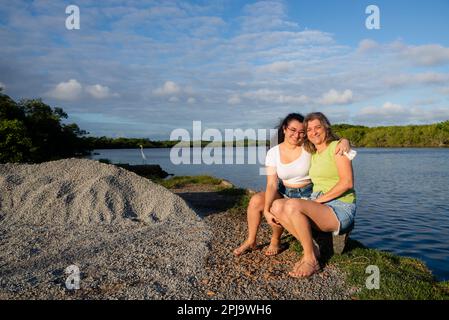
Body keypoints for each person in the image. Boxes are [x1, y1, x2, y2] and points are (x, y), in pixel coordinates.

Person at [233, 113, 351, 256]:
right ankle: (251, 240)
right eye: (292, 130)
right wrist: (266, 209)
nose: (297, 135)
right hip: (284, 191)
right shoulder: (272, 152)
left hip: (307, 193)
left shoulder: (309, 147)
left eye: (302, 132)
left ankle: (276, 240)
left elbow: (328, 143)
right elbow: (271, 184)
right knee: (256, 200)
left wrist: (345, 141)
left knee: (278, 207)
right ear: (284, 129)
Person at [270, 112, 357, 278]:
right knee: (276, 206)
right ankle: (313, 247)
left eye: (318, 127)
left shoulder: (337, 148)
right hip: (321, 205)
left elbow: (347, 183)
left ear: (326, 127)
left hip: (340, 207)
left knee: (292, 205)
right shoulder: (313, 152)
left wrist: (344, 141)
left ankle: (311, 260)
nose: (314, 132)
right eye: (309, 129)